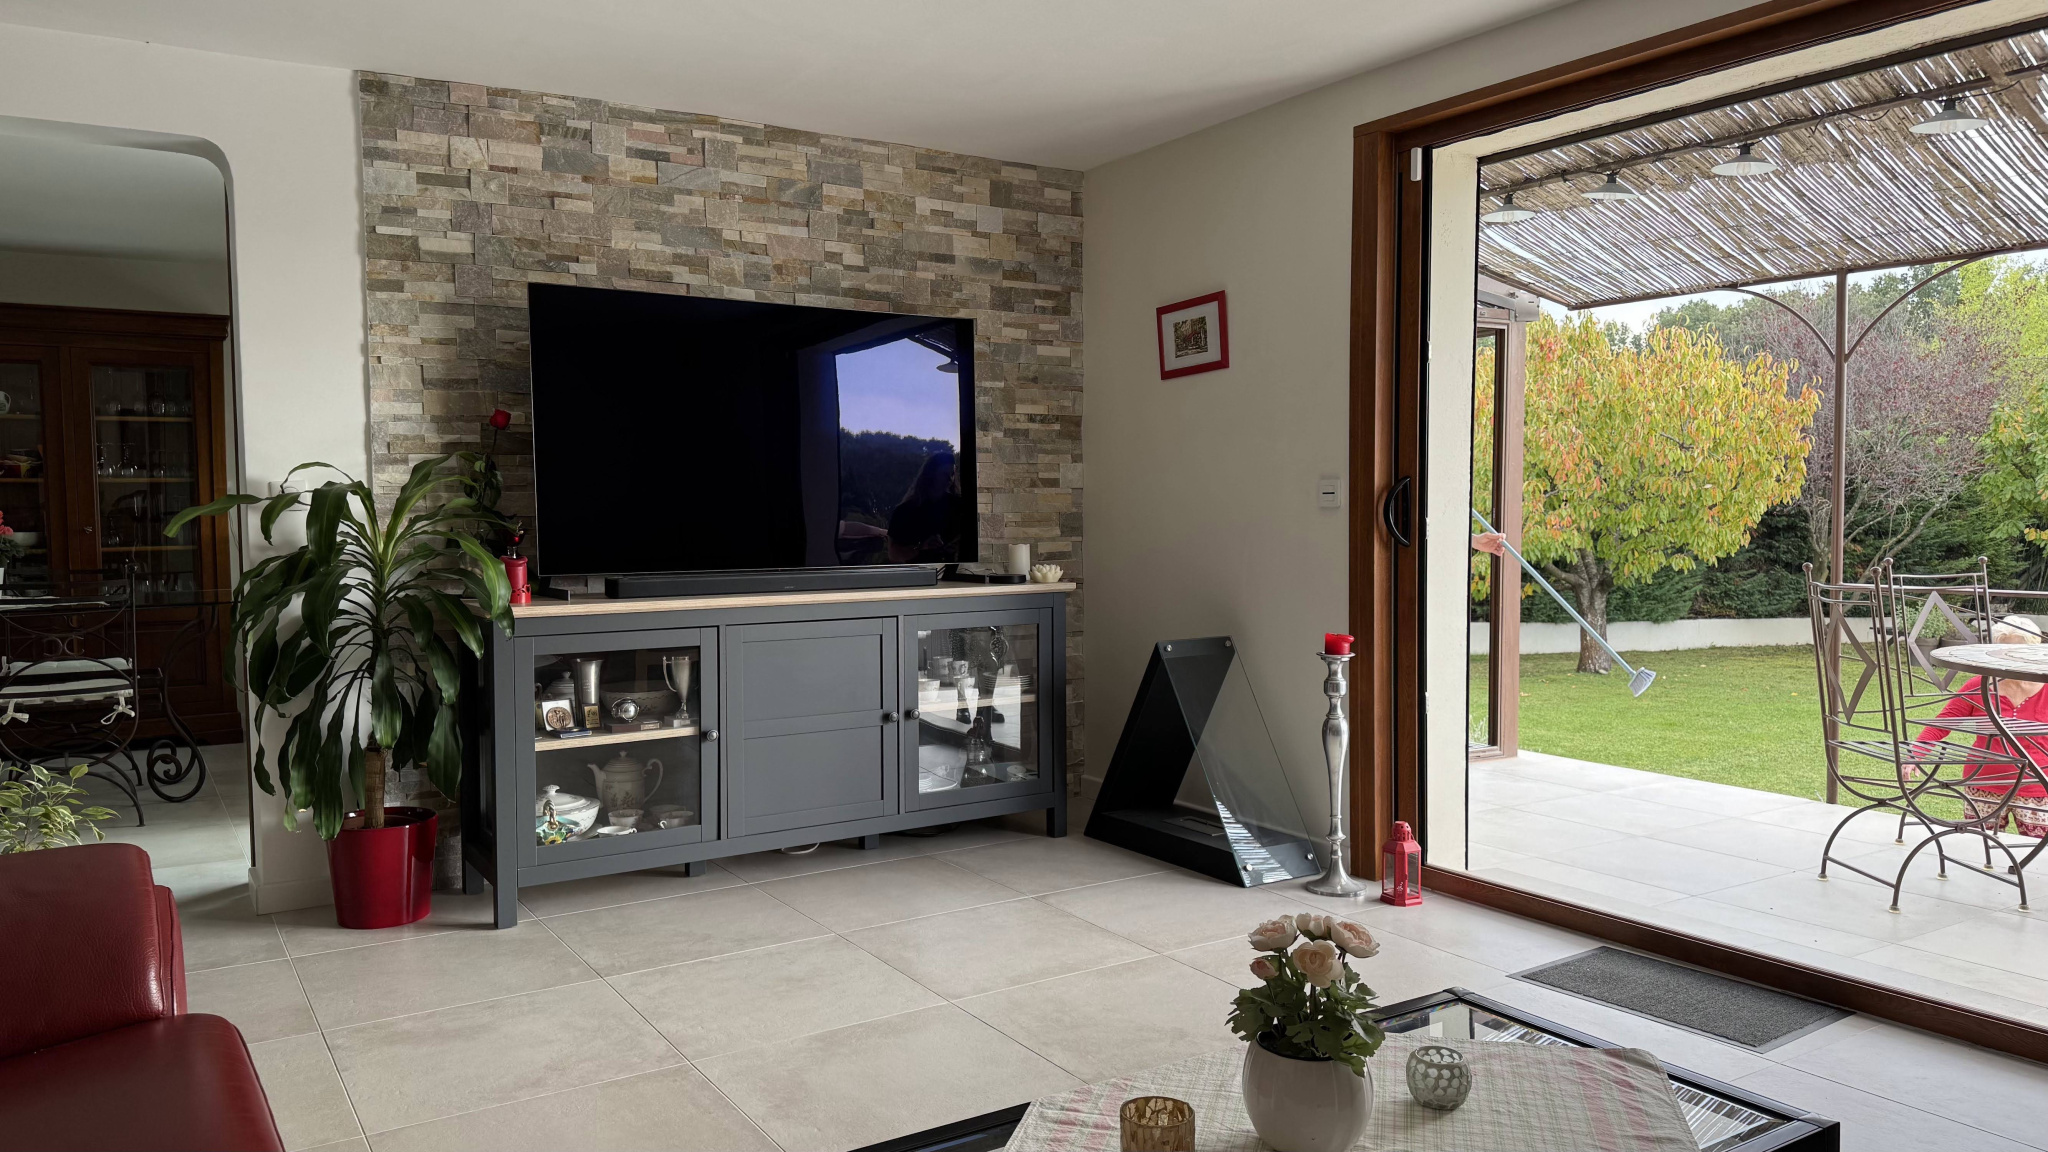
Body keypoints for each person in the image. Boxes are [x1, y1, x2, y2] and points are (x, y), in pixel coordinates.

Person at [1915, 615, 2048, 839]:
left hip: (2038, 786)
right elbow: (1943, 722)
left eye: (2017, 651)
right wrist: (1916, 753)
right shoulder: (1979, 685)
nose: (2009, 658)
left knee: (2040, 853)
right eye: (2003, 651)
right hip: (1984, 783)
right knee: (1979, 848)